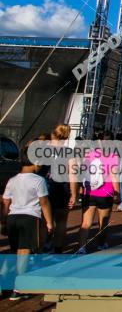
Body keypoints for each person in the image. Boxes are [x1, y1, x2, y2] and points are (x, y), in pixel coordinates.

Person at [1, 142, 54, 300]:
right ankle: (18, 288)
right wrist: (50, 222)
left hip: (12, 217)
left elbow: (5, 202)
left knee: (13, 251)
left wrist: (3, 221)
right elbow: (44, 202)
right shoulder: (38, 181)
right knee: (24, 252)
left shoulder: (13, 180)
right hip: (30, 218)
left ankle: (3, 282)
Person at [76, 134, 119, 254]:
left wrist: (80, 189)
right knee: (103, 221)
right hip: (105, 192)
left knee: (85, 222)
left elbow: (82, 173)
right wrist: (118, 193)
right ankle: (100, 244)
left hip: (89, 191)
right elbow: (114, 175)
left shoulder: (89, 154)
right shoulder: (112, 156)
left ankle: (81, 247)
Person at [45, 125, 77, 253]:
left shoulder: (43, 149)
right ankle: (58, 248)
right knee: (61, 220)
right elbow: (73, 174)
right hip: (61, 187)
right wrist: (73, 194)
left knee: (43, 218)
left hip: (45, 186)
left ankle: (44, 244)